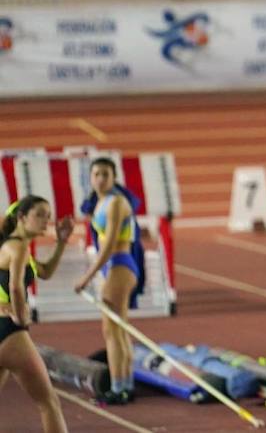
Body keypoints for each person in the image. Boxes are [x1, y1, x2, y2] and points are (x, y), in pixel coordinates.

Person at [0, 197, 74, 432]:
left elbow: (45, 272)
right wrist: (21, 317)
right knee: (48, 402)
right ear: (21, 218)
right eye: (40, 214)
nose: (47, 221)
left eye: (48, 215)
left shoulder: (15, 248)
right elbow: (15, 287)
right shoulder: (17, 247)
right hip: (9, 334)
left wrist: (61, 243)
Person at [73, 157, 141, 404]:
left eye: (105, 174)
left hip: (120, 265)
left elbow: (110, 244)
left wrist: (87, 277)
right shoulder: (100, 202)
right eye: (96, 174)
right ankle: (125, 385)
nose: (100, 179)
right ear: (90, 178)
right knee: (117, 330)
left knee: (112, 331)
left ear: (114, 177)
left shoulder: (115, 203)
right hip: (112, 268)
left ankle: (119, 387)